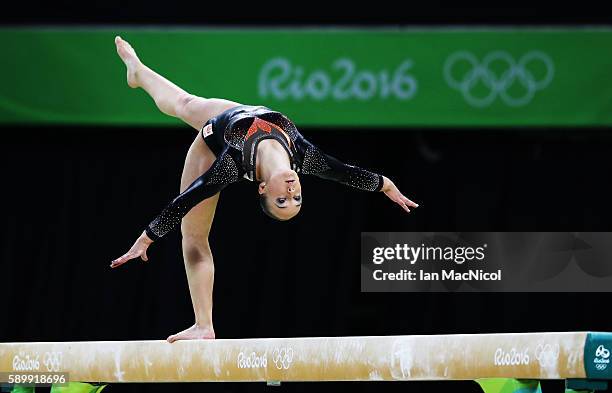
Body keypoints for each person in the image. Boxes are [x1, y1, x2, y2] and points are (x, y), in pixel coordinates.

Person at [109, 36, 419, 342]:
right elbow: (345, 173)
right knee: (183, 102)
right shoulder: (304, 156)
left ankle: (203, 325)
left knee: (193, 237)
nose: (291, 192)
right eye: (296, 199)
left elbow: (186, 199)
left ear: (262, 189)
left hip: (213, 140)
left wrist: (147, 237)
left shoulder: (231, 164)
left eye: (282, 200)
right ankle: (137, 72)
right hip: (238, 111)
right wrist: (385, 185)